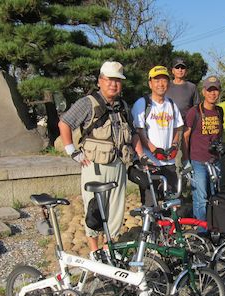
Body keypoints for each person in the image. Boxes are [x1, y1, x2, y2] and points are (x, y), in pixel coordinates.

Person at [58, 61, 133, 258]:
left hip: (118, 165)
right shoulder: (87, 103)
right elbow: (64, 123)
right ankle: (94, 250)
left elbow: (132, 134)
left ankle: (109, 249)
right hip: (95, 166)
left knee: (116, 210)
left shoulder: (123, 106)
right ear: (100, 81)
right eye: (109, 80)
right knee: (94, 209)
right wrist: (72, 151)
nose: (113, 84)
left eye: (117, 80)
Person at [131, 65, 184, 206]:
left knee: (171, 201)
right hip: (150, 162)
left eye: (164, 80)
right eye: (157, 80)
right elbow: (138, 131)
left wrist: (174, 145)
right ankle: (151, 228)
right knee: (151, 202)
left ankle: (168, 228)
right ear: (150, 83)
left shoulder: (171, 104)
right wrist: (153, 149)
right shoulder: (142, 104)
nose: (161, 84)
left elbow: (178, 128)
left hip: (169, 162)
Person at [182, 76, 223, 230]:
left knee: (214, 195)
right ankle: (201, 232)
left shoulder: (219, 111)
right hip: (198, 160)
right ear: (204, 91)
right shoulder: (194, 112)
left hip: (215, 161)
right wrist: (186, 160)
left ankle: (213, 226)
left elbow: (219, 134)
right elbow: (185, 136)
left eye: (216, 90)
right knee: (201, 198)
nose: (213, 94)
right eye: (209, 90)